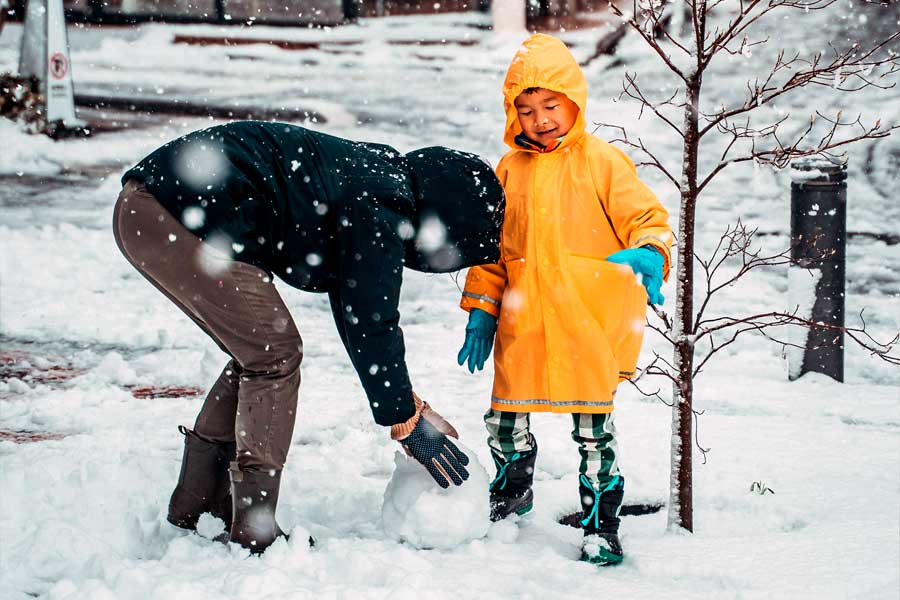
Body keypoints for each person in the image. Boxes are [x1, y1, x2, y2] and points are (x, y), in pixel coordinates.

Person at [113, 120, 505, 553]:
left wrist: (405, 409)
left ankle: (199, 503)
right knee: (273, 355)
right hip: (170, 212)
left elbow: (356, 306)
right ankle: (253, 526)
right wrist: (405, 420)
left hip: (152, 207)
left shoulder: (376, 181)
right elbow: (371, 320)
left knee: (258, 352)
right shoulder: (383, 206)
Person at [456, 34, 673, 566]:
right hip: (523, 323)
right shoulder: (508, 171)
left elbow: (646, 218)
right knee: (504, 420)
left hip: (584, 323)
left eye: (551, 105)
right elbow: (492, 250)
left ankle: (601, 523)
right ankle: (512, 489)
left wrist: (650, 252)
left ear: (574, 100)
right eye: (526, 110)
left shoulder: (603, 163)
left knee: (594, 432)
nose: (540, 119)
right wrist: (482, 311)